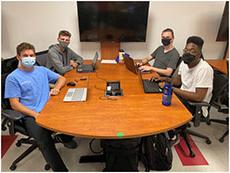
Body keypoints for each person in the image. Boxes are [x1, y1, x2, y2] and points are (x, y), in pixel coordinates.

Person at [4, 42, 77, 171]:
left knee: (75, 116)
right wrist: (35, 114)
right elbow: (14, 105)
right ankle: (60, 170)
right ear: (18, 57)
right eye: (25, 55)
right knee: (45, 141)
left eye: (31, 55)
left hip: (50, 108)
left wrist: (57, 89)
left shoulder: (41, 70)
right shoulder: (13, 78)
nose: (29, 58)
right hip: (31, 115)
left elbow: (62, 79)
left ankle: (63, 137)